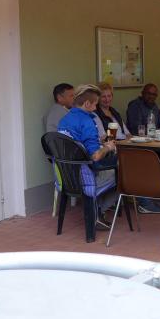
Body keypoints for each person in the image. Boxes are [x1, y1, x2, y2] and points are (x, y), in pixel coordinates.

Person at [57, 85, 118, 221]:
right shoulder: (87, 121)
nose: (96, 108)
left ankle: (96, 211)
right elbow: (95, 156)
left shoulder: (64, 119)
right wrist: (108, 147)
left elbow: (76, 143)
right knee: (125, 175)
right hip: (86, 179)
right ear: (87, 103)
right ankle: (98, 211)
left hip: (66, 177)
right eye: (95, 104)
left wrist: (98, 141)